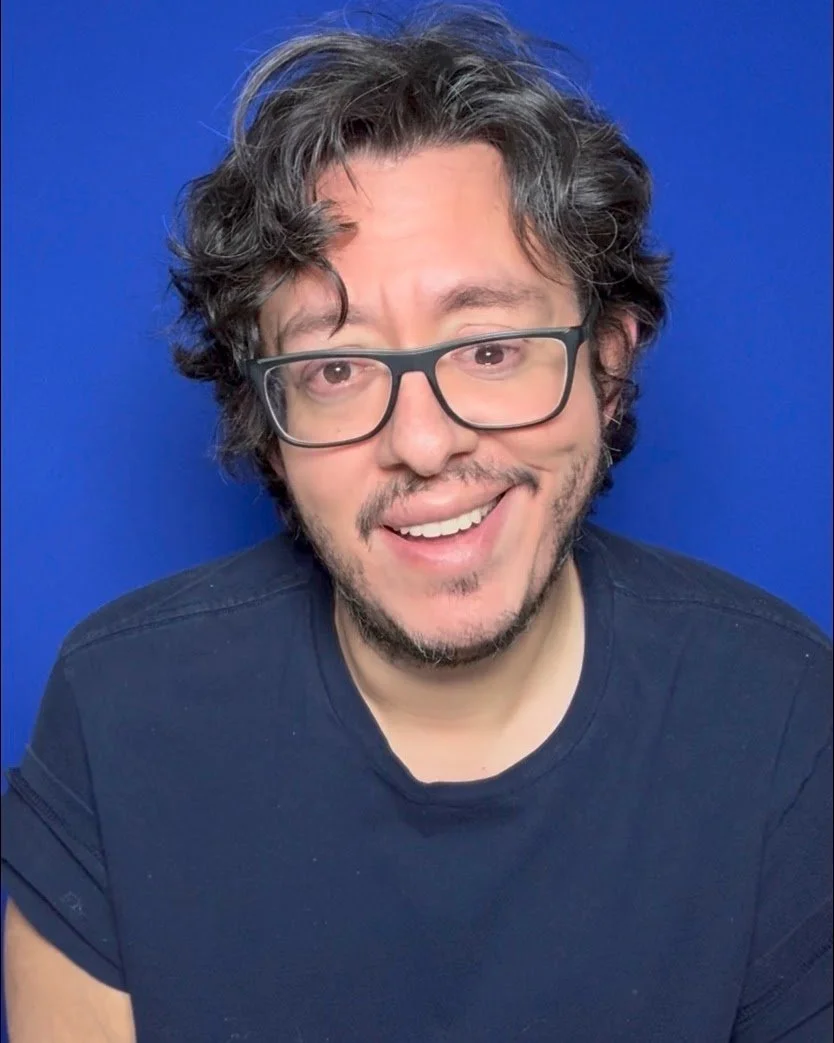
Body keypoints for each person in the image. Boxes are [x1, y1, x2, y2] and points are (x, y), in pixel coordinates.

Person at [2, 7, 831, 1042]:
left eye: (490, 348)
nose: (426, 444)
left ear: (607, 371)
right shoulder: (119, 709)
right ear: (268, 424)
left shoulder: (783, 714)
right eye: (335, 368)